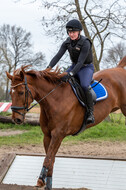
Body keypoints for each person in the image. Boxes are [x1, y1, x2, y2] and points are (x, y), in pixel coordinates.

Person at [47, 19, 95, 124]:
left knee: (84, 85)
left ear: (79, 32)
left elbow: (81, 61)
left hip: (86, 67)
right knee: (59, 81)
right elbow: (58, 56)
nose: (71, 34)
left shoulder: (85, 43)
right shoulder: (67, 42)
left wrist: (70, 74)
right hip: (74, 66)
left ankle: (90, 112)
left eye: (73, 32)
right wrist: (48, 68)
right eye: (69, 32)